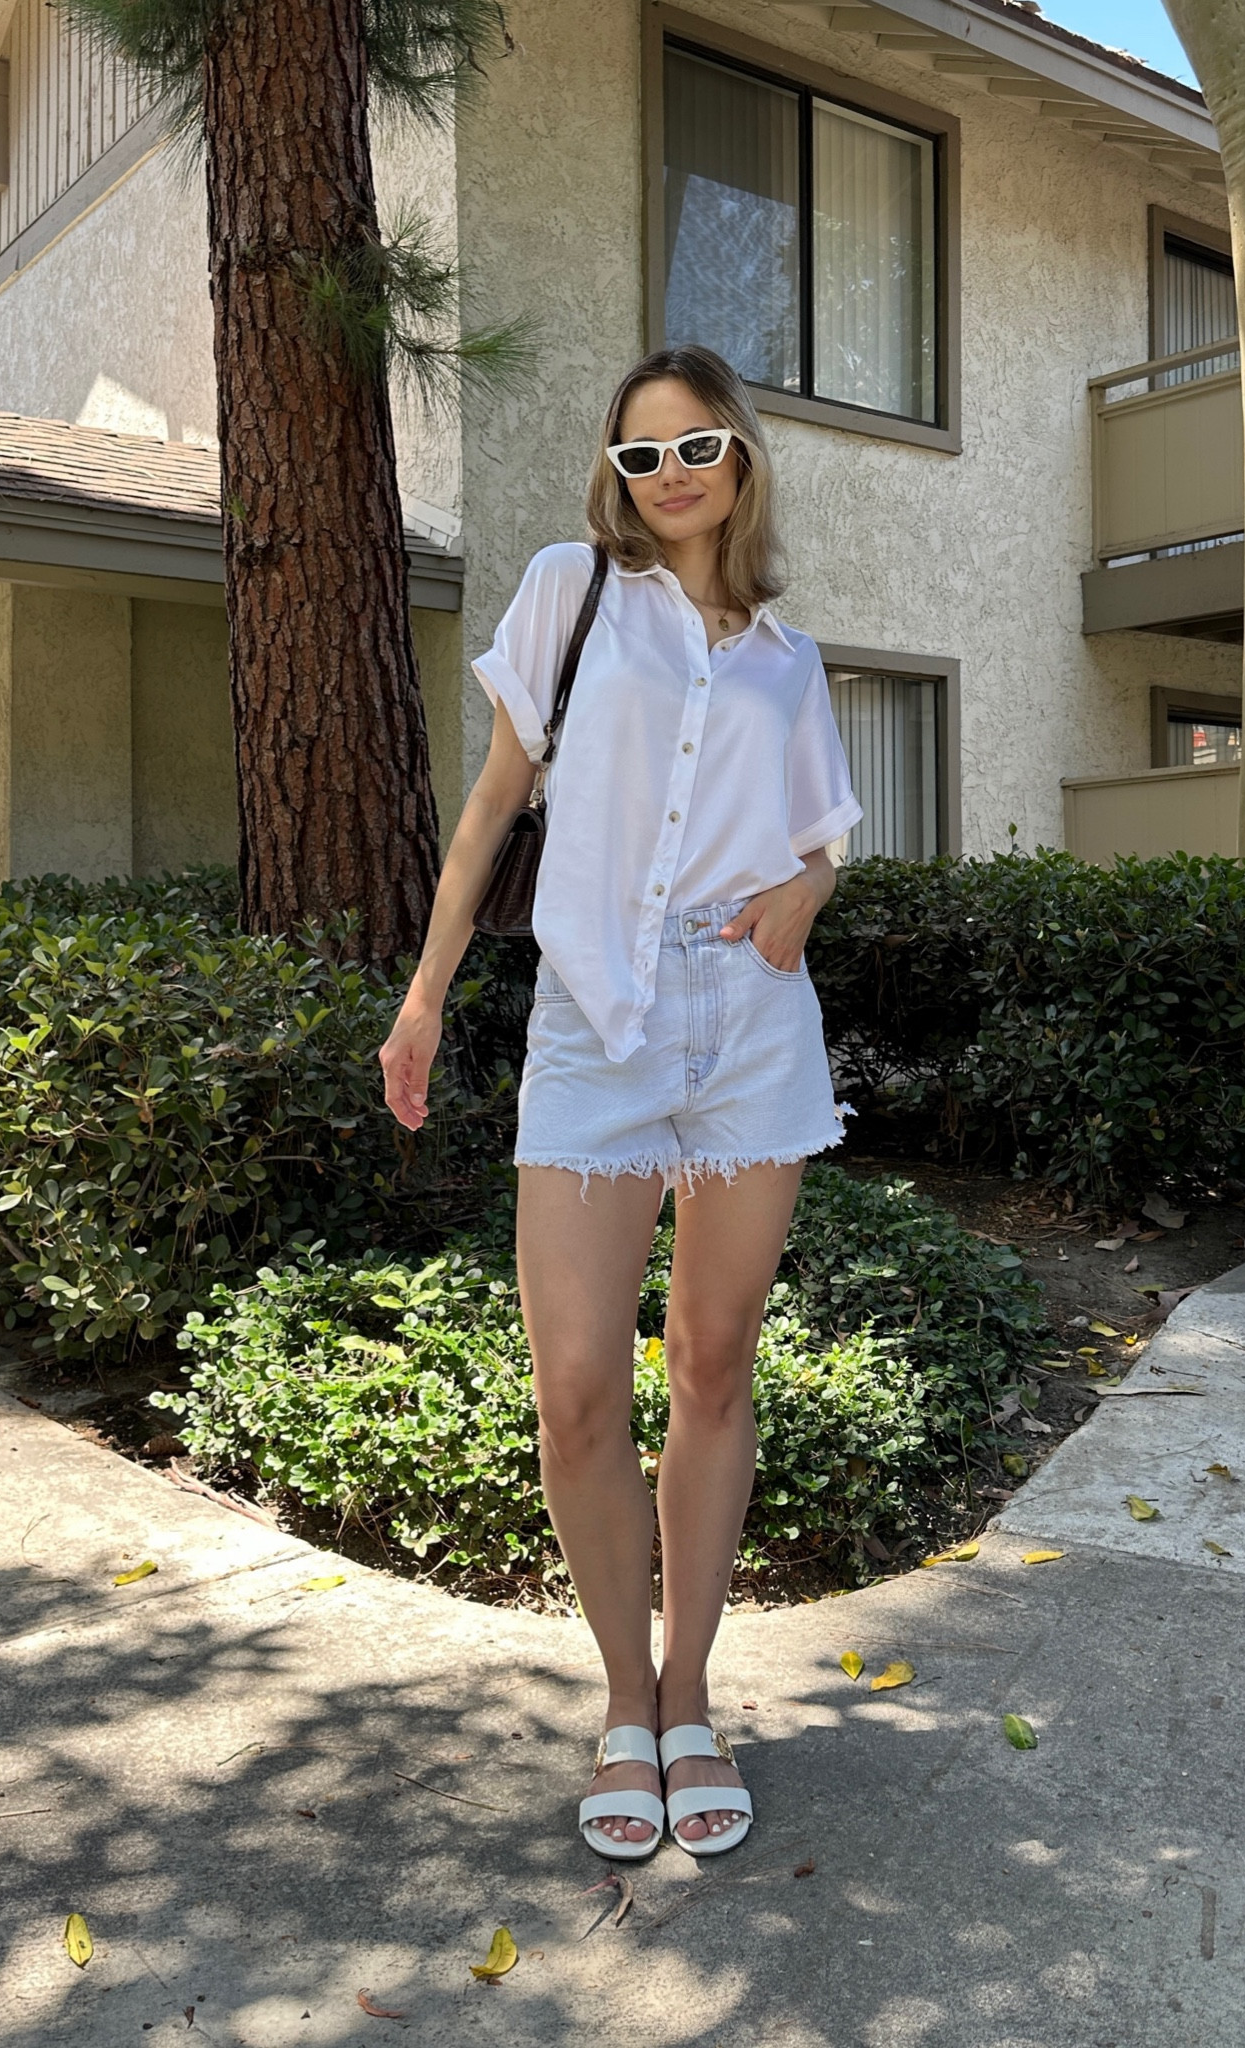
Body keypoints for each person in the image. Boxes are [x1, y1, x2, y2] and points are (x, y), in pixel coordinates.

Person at [379, 344, 861, 1860]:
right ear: (615, 470)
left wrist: (802, 897)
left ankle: (689, 1694)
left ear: (741, 457)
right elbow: (494, 804)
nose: (668, 478)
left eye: (696, 447)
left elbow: (823, 834)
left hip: (747, 1024)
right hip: (594, 1024)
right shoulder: (565, 592)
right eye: (640, 455)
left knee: (714, 1367)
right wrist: (425, 989)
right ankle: (619, 1703)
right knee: (578, 1383)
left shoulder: (785, 657)